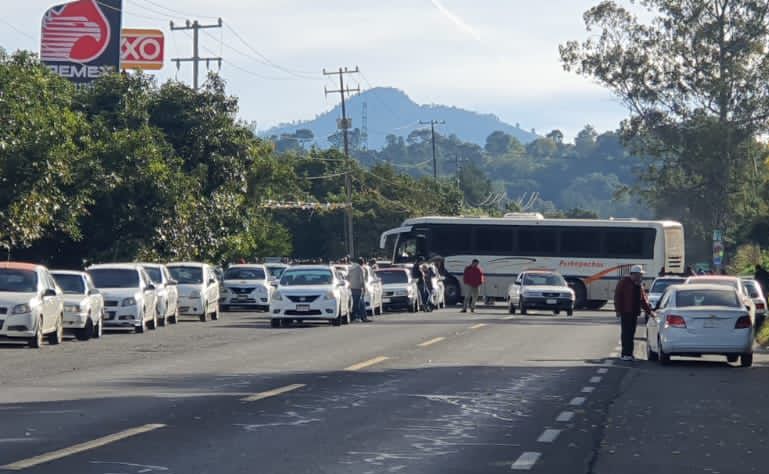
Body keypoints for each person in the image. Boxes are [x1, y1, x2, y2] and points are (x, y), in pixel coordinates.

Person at [614, 265, 654, 362]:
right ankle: (625, 354)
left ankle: (629, 354)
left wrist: (649, 312)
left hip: (634, 312)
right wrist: (618, 310)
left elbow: (643, 300)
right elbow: (618, 297)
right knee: (626, 333)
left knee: (631, 333)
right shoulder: (624, 282)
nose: (641, 277)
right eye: (640, 275)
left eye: (641, 275)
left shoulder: (639, 285)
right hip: (626, 312)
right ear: (634, 274)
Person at [348, 258, 370, 322]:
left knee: (357, 303)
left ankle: (362, 317)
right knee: (357, 303)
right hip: (358, 288)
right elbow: (362, 279)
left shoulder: (351, 268)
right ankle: (357, 317)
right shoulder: (360, 268)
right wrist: (364, 288)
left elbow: (347, 277)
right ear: (362, 263)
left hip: (352, 287)